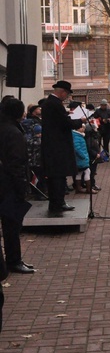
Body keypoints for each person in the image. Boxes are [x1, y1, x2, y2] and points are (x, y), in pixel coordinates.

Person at [0, 98, 35, 273]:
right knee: (12, 225)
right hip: (9, 186)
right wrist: (22, 187)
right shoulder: (13, 132)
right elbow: (17, 163)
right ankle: (14, 260)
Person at [41, 80, 83, 216]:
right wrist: (79, 121)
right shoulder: (55, 104)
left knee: (56, 177)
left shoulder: (49, 103)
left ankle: (57, 202)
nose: (67, 97)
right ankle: (58, 203)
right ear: (63, 92)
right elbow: (64, 123)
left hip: (53, 145)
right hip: (57, 147)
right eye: (67, 94)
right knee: (58, 176)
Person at [21, 104, 45, 198]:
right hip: (34, 151)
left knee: (39, 171)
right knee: (36, 172)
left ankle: (40, 190)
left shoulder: (38, 121)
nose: (40, 109)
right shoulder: (30, 122)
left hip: (38, 150)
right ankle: (37, 192)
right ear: (33, 111)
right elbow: (28, 137)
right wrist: (37, 137)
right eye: (38, 108)